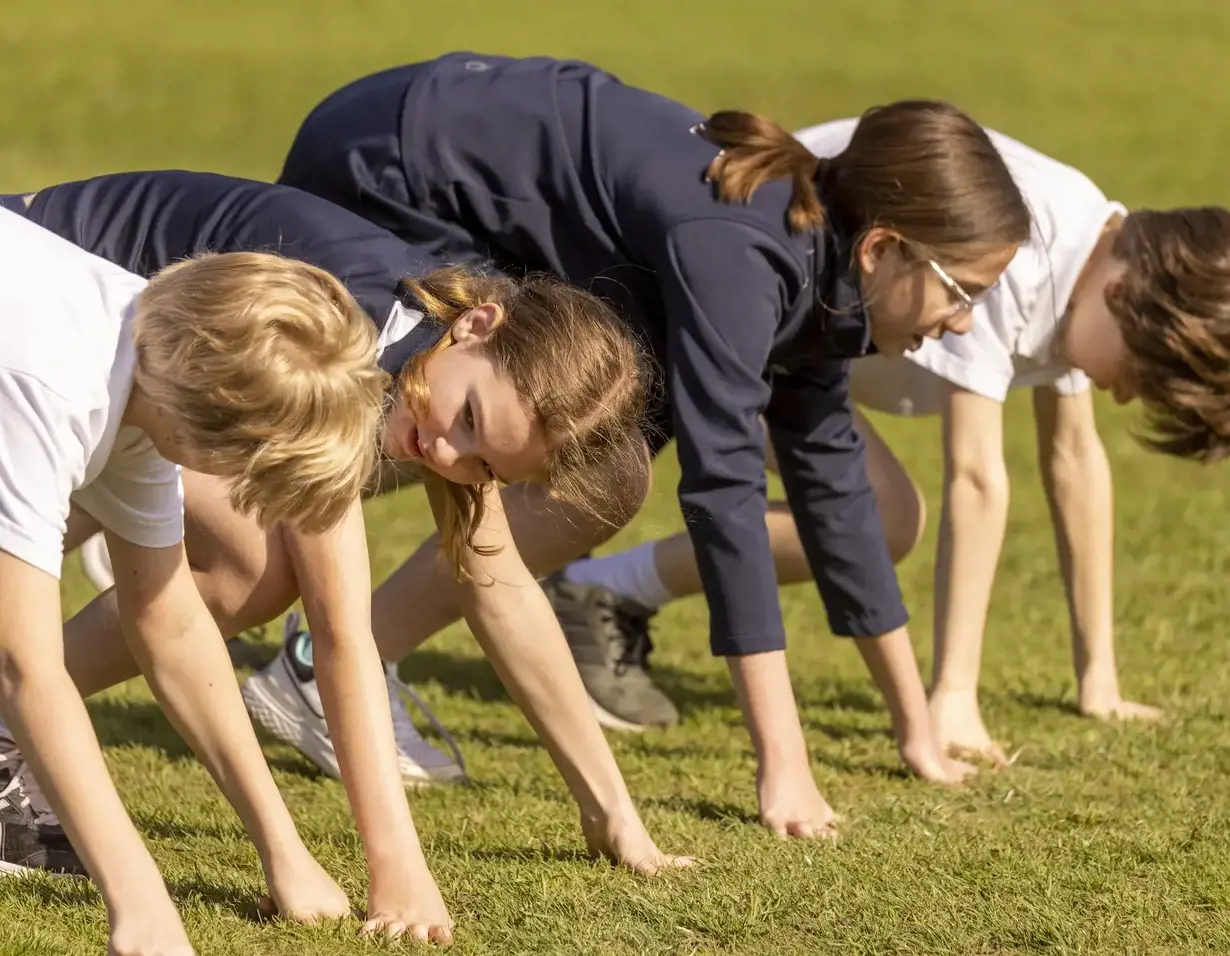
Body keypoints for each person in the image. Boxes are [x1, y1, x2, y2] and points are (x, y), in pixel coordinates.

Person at [274, 52, 1034, 839]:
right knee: (570, 454)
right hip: (387, 165)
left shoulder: (820, 272)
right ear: (881, 250)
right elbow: (725, 494)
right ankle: (318, 660)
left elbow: (831, 476)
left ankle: (320, 651)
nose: (966, 321)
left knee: (584, 445)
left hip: (413, 147)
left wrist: (915, 727)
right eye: (964, 290)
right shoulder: (747, 253)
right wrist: (784, 764)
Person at [0, 172, 691, 943]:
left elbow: (497, 585)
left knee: (225, 569)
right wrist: (394, 868)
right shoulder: (339, 351)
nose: (445, 453)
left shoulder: (436, 361)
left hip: (127, 365)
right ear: (477, 327)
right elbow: (341, 634)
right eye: (466, 418)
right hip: (73, 311)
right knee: (246, 565)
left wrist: (614, 812)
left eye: (486, 466)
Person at [0, 206, 387, 954]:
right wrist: (140, 903)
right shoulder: (50, 385)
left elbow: (169, 620)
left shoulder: (148, 367)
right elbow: (24, 669)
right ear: (203, 426)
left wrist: (285, 851)